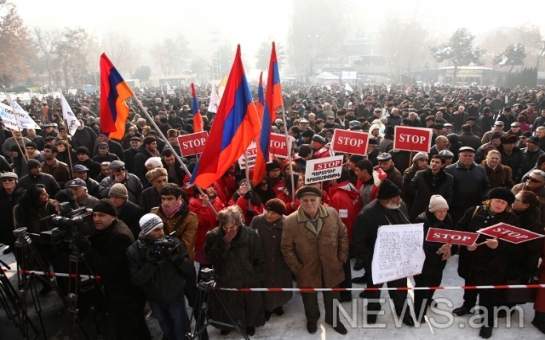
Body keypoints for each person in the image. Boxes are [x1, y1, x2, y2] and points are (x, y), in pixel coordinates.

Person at [73, 199, 150, 339]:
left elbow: (107, 266)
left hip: (127, 294)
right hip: (118, 292)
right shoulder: (109, 229)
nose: (97, 219)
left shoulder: (119, 235)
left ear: (113, 216)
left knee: (131, 330)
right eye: (94, 215)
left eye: (101, 215)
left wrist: (86, 247)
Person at [281, 186, 349, 335]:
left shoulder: (331, 213)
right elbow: (286, 248)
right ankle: (312, 320)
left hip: (332, 266)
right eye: (305, 200)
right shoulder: (291, 221)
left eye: (313, 200)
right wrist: (297, 268)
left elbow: (343, 234)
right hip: (307, 270)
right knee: (309, 299)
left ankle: (334, 319)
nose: (309, 203)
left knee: (333, 296)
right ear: (299, 202)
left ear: (319, 200)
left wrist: (341, 258)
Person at [453, 188, 519, 339]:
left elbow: (515, 244)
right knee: (469, 284)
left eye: (504, 203)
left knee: (488, 294)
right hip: (470, 259)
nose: (500, 205)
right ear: (489, 200)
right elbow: (460, 229)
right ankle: (467, 305)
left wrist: (498, 245)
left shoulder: (512, 219)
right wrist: (466, 244)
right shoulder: (474, 211)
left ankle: (487, 322)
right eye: (497, 201)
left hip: (492, 264)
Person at [353, 179, 415, 327]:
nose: (400, 199)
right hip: (376, 262)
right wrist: (372, 261)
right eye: (396, 197)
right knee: (374, 289)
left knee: (400, 288)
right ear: (385, 200)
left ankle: (403, 312)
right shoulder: (366, 215)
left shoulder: (401, 206)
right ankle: (373, 311)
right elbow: (359, 242)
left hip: (398, 261)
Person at [127, 213, 195, 340]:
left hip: (175, 298)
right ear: (146, 231)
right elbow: (136, 279)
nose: (161, 233)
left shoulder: (173, 242)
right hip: (154, 299)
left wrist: (178, 259)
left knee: (182, 332)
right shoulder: (134, 251)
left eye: (162, 228)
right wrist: (151, 264)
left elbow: (188, 269)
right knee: (168, 331)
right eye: (156, 230)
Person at [204, 206, 266, 336]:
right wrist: (223, 243)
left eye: (232, 227)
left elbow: (258, 257)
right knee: (227, 303)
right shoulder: (213, 236)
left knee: (250, 303)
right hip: (226, 276)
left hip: (247, 276)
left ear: (238, 224)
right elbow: (210, 257)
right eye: (225, 227)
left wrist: (258, 276)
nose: (228, 230)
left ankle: (250, 324)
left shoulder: (250, 234)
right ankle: (226, 324)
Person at [249, 199, 293, 321]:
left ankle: (278, 305)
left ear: (280, 215)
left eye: (273, 213)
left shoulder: (287, 222)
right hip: (263, 260)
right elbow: (250, 238)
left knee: (280, 283)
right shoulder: (257, 221)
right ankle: (266, 308)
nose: (269, 215)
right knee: (265, 284)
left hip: (280, 262)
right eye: (268, 211)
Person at [413, 195, 453, 322]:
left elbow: (452, 235)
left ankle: (429, 299)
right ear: (432, 211)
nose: (443, 214)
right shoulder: (422, 220)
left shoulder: (448, 218)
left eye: (445, 210)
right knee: (423, 287)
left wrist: (451, 249)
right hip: (425, 261)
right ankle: (419, 313)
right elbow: (419, 243)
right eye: (439, 211)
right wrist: (437, 250)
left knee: (435, 282)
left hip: (440, 261)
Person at [13, 184, 57, 296]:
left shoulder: (51, 204)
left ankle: (62, 286)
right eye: (43, 194)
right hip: (34, 242)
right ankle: (46, 285)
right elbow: (19, 226)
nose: (47, 195)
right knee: (40, 266)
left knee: (57, 264)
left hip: (51, 240)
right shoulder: (20, 209)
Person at [151, 184, 198, 261]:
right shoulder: (154, 212)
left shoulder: (190, 218)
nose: (165, 202)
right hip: (157, 258)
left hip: (178, 260)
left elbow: (187, 247)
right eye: (163, 199)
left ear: (179, 198)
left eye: (170, 199)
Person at [445, 146, 491, 223]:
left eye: (470, 156)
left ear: (474, 157)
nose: (468, 158)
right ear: (459, 156)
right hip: (456, 207)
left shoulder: (481, 169)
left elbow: (487, 186)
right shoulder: (449, 169)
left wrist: (483, 198)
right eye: (465, 155)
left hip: (475, 206)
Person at [409, 154, 454, 221]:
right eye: (432, 161)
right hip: (420, 209)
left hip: (437, 211)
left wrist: (443, 208)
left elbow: (449, 195)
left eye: (437, 162)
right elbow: (410, 189)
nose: (433, 164)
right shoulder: (420, 174)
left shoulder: (448, 178)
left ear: (442, 165)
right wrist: (407, 181)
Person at [0, 172, 25, 254]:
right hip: (7, 229)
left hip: (22, 227)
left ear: (15, 181)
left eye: (10, 180)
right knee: (17, 254)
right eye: (4, 180)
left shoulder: (23, 194)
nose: (7, 182)